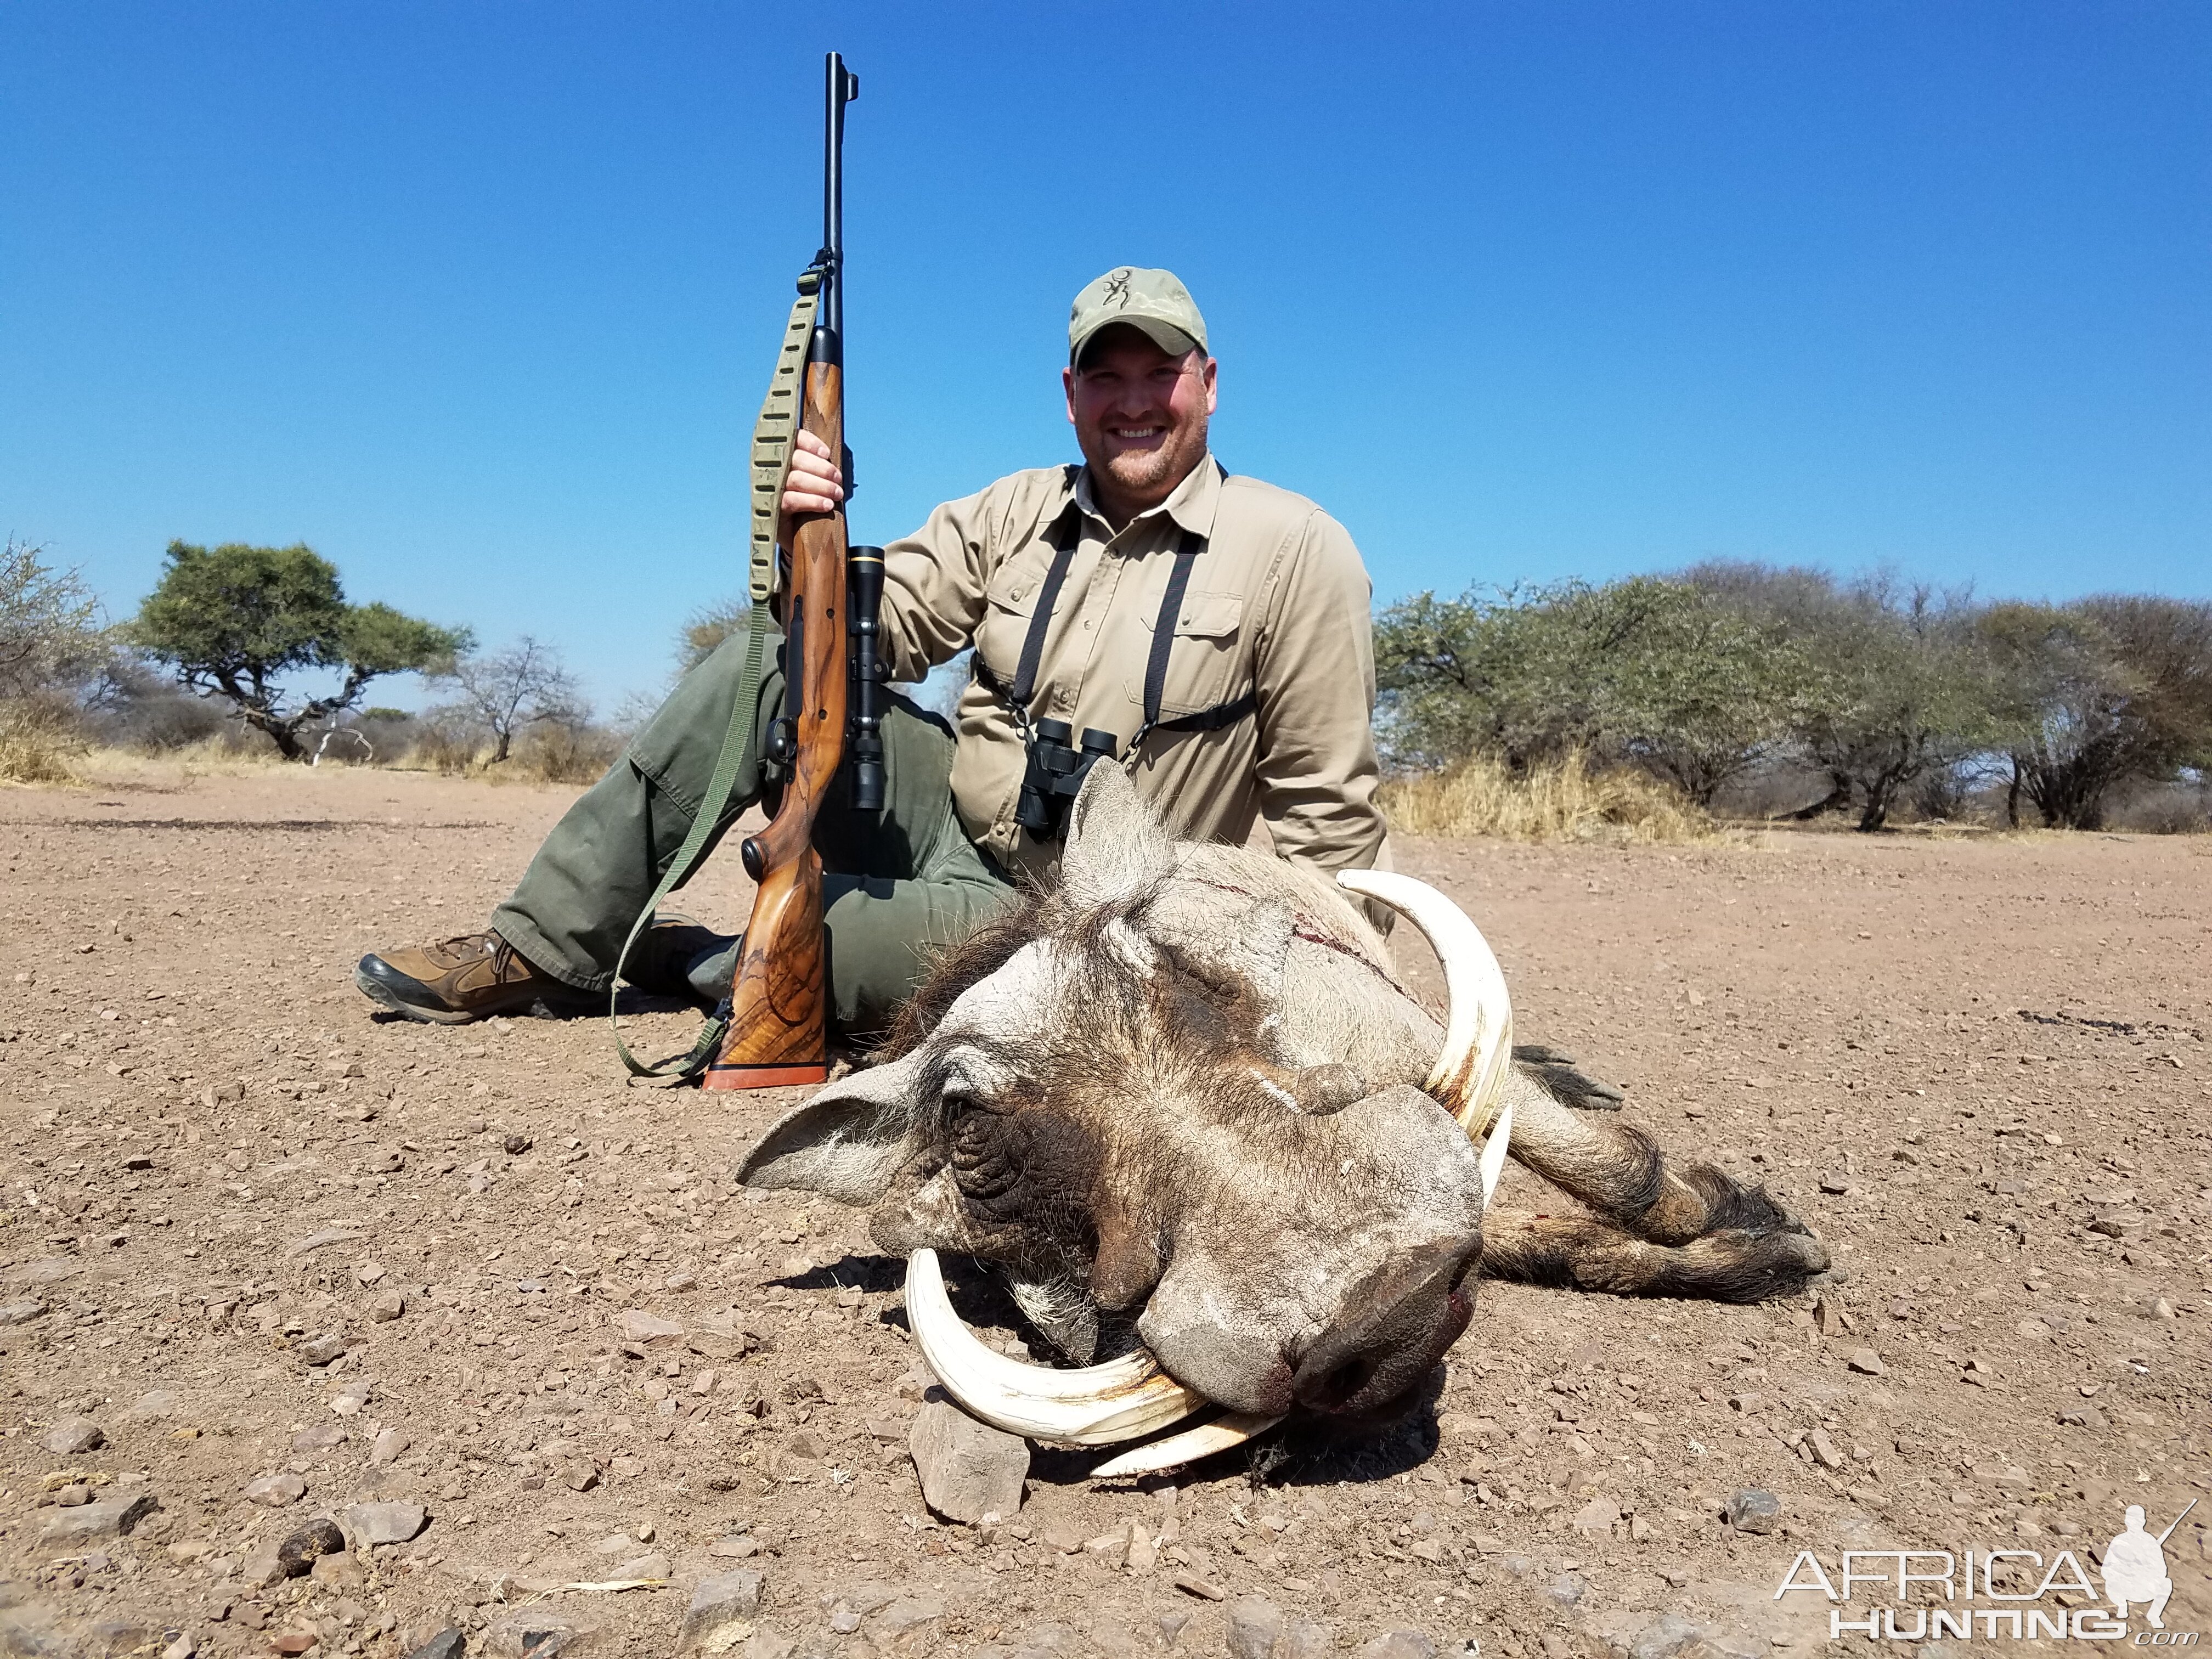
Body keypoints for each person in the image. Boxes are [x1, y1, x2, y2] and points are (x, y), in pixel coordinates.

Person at [355, 266, 1389, 1036]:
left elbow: (1328, 811)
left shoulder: (1299, 548)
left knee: (793, 958)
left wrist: (1323, 1006)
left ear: (1207, 384)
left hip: (1084, 914)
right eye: (1103, 376)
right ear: (1068, 393)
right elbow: (866, 635)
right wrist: (808, 530)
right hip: (942, 814)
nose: (1131, 401)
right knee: (770, 655)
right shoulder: (1015, 507)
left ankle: (686, 956)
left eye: (1158, 374)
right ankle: (547, 945)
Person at [2100, 1505, 2174, 1629]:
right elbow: (2107, 1569)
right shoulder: (2119, 1541)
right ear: (2126, 1521)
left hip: (2144, 1587)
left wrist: (2145, 1570)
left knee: (2166, 1583)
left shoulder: (2150, 1542)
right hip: (2123, 1587)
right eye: (2131, 1520)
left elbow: (2162, 1571)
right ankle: (2122, 1607)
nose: (2134, 1524)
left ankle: (2154, 1615)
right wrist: (2124, 1571)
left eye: (2138, 1520)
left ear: (2143, 1522)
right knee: (2112, 1582)